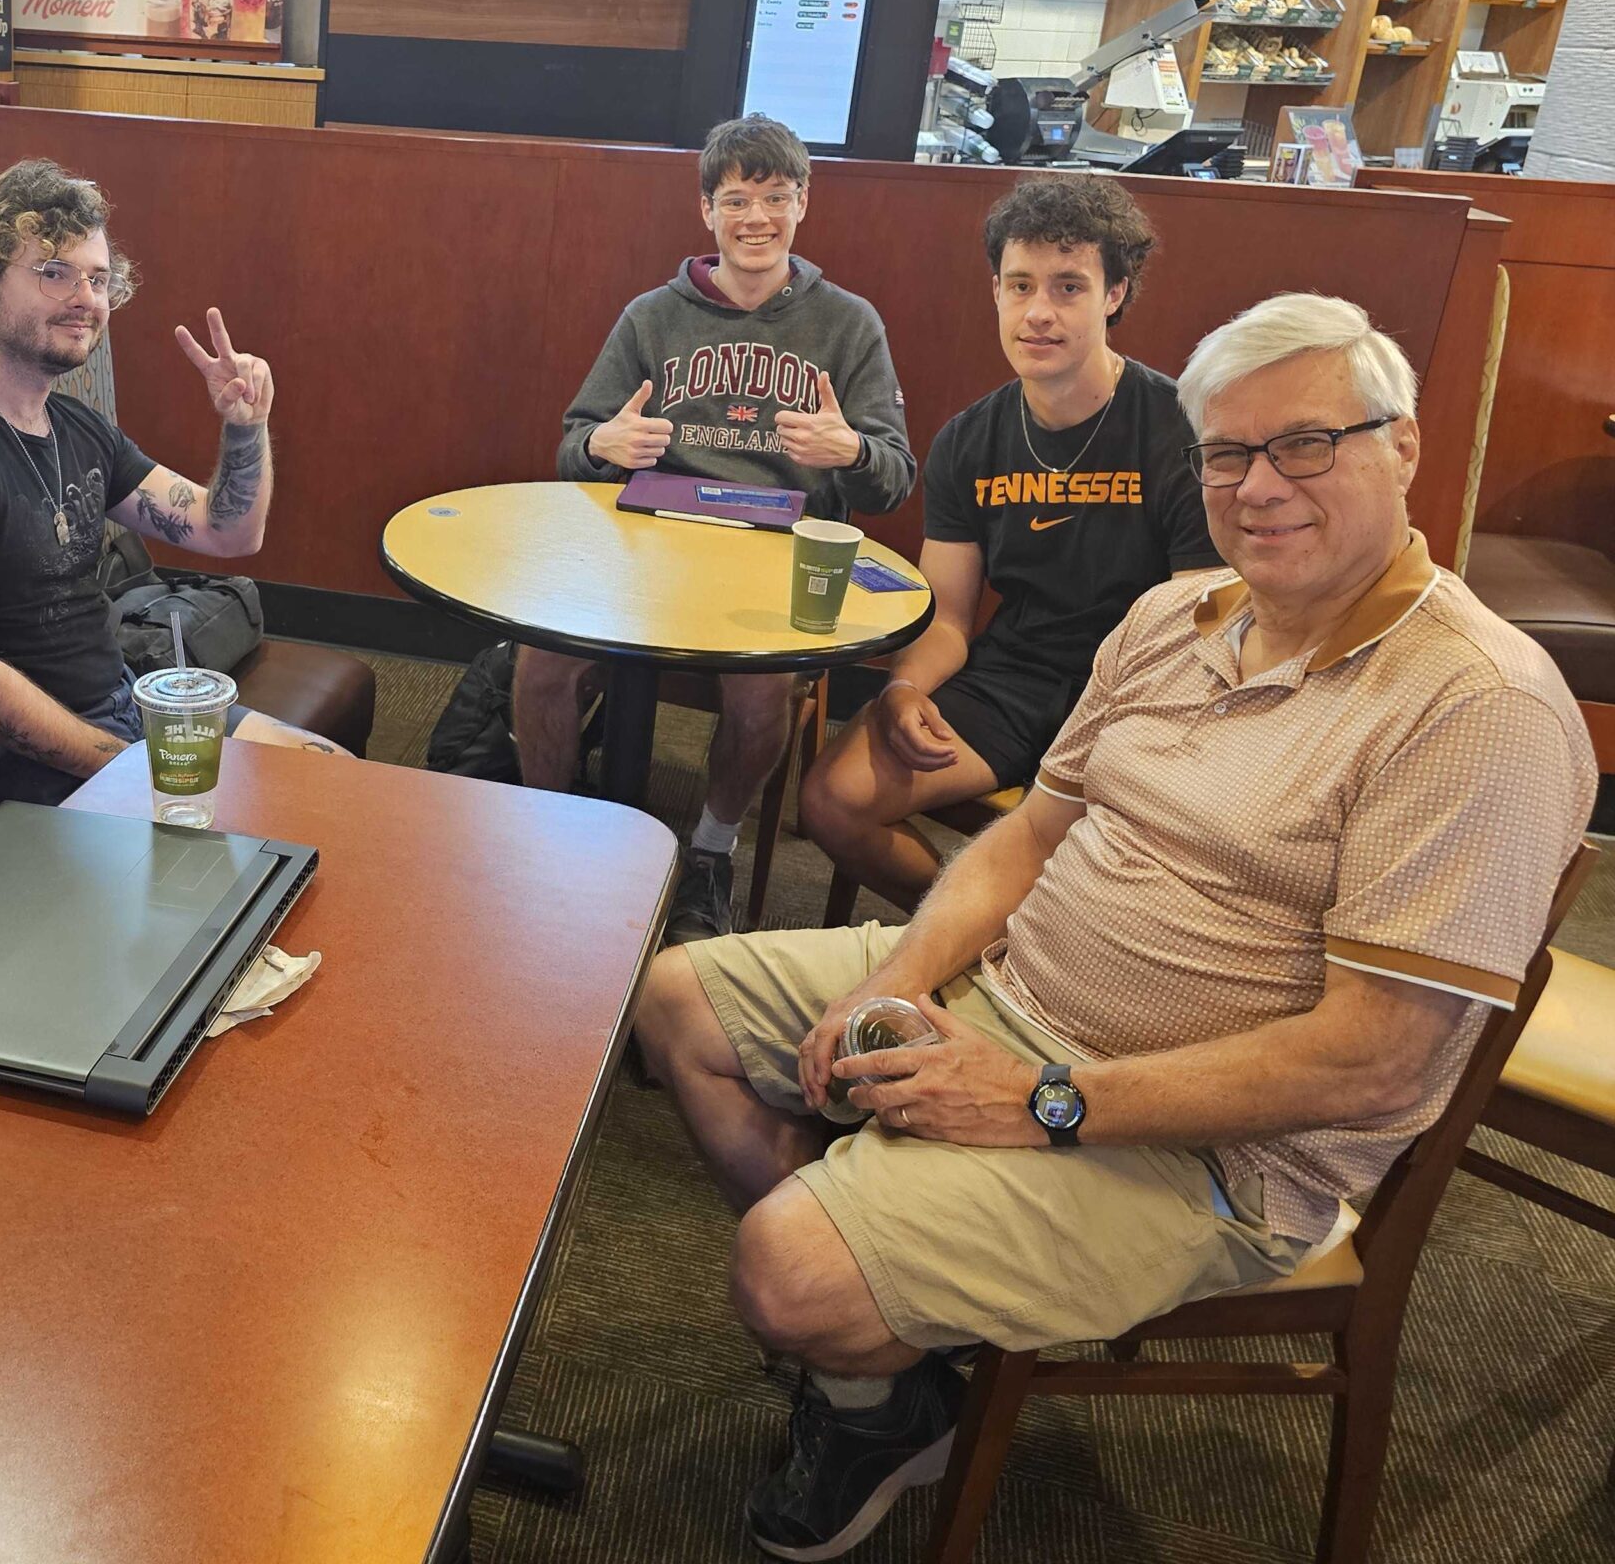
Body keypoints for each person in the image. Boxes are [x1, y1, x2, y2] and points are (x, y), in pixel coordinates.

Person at [634, 292, 1592, 1561]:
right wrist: (904, 979)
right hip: (1009, 998)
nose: (1260, 486)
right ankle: (885, 1376)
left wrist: (1036, 1102)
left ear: (1403, 445)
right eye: (1226, 454)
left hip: (1205, 1150)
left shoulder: (1474, 707)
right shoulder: (1172, 616)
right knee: (677, 1000)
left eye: (1307, 443)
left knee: (785, 1274)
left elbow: (1375, 1061)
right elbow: (1028, 838)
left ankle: (865, 1334)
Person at [517, 113, 915, 940]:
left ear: (803, 202)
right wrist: (602, 444)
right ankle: (551, 830)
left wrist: (848, 450)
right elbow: (574, 446)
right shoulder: (651, 317)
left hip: (774, 552)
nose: (756, 218)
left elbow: (894, 477)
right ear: (706, 211)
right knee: (541, 659)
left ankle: (709, 849)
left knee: (762, 690)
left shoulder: (850, 324)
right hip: (649, 544)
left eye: (775, 197)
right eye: (736, 200)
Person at [0, 158, 332, 832]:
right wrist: (136, 762)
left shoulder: (74, 426)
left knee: (332, 783)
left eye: (98, 279)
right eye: (55, 272)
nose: (86, 298)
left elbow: (228, 533)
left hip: (120, 711)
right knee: (257, 832)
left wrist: (245, 426)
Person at [800, 175, 1217, 908]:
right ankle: (989, 939)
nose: (1039, 313)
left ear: (1114, 294)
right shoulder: (968, 439)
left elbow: (1199, 626)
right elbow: (949, 617)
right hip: (1015, 677)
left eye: (1068, 287)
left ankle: (1028, 943)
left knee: (1111, 861)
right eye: (1020, 286)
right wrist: (904, 687)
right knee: (833, 800)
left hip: (1138, 693)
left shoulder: (1181, 428)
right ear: (996, 291)